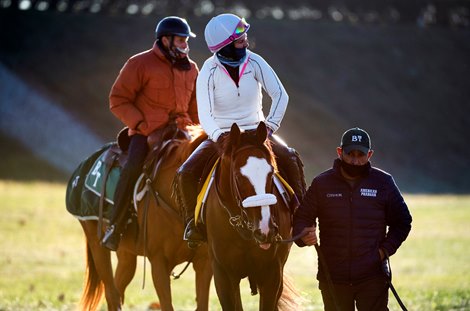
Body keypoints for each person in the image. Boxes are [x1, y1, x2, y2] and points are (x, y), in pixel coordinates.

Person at [175, 13, 306, 249]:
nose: (245, 39)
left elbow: (280, 95)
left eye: (244, 34)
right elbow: (205, 112)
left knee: (290, 157)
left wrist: (270, 127)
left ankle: (302, 218)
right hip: (222, 135)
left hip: (257, 134)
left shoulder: (255, 61)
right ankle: (192, 226)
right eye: (239, 37)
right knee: (186, 172)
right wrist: (218, 136)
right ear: (224, 44)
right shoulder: (208, 70)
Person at [101, 16, 200, 251]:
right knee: (133, 167)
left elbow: (195, 109)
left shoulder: (192, 68)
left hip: (184, 132)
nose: (185, 44)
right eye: (180, 40)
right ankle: (116, 226)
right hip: (146, 134)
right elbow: (118, 100)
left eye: (186, 40)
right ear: (165, 40)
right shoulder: (139, 63)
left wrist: (198, 131)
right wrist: (142, 125)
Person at [293, 127, 412, 311]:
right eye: (350, 154)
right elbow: (301, 218)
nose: (355, 161)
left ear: (370, 154)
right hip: (333, 279)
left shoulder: (383, 183)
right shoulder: (321, 184)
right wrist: (303, 236)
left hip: (373, 277)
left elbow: (403, 222)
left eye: (361, 155)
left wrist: (383, 252)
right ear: (340, 152)